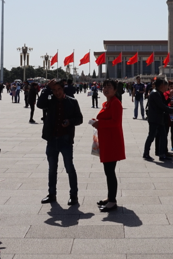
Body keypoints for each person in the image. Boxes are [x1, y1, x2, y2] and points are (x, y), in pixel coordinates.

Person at [37, 79, 83, 205]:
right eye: (54, 90)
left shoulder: (72, 102)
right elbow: (40, 104)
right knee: (52, 169)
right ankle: (52, 194)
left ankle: (74, 195)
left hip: (65, 140)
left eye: (59, 89)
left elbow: (79, 119)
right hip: (52, 139)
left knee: (69, 168)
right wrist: (47, 88)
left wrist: (70, 121)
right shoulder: (50, 102)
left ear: (63, 89)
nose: (57, 92)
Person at [91, 79, 125, 212]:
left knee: (110, 172)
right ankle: (110, 197)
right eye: (104, 87)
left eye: (109, 87)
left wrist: (100, 124)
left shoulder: (116, 103)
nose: (106, 89)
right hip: (107, 140)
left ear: (115, 90)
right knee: (108, 171)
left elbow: (116, 122)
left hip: (113, 142)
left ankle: (112, 201)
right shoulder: (107, 103)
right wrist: (97, 121)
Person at [144, 78, 173, 161]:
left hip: (159, 118)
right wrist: (172, 110)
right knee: (151, 136)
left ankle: (162, 154)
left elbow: (164, 104)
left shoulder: (159, 93)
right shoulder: (155, 93)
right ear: (162, 86)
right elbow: (161, 106)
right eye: (166, 85)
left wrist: (169, 97)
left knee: (163, 136)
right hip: (154, 119)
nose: (167, 87)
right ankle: (146, 153)